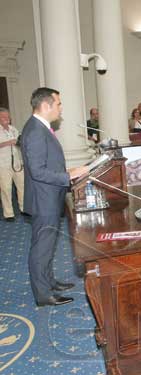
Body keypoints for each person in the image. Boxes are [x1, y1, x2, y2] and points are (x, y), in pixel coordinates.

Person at [21, 87, 88, 306]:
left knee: (47, 245)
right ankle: (43, 295)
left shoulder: (40, 128)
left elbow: (47, 163)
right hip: (44, 200)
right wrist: (67, 176)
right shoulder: (35, 132)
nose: (60, 108)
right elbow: (37, 171)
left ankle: (49, 282)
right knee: (42, 248)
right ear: (46, 105)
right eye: (58, 104)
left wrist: (68, 172)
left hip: (48, 196)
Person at [0, 107, 24, 221]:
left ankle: (23, 209)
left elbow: (20, 143)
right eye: (3, 117)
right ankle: (8, 214)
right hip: (3, 165)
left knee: (22, 186)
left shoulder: (13, 129)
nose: (6, 118)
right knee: (6, 189)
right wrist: (8, 142)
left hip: (17, 163)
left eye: (7, 116)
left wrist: (20, 142)